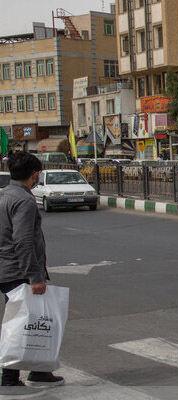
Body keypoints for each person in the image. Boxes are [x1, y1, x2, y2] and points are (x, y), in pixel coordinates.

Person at [0, 152, 64, 388]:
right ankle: (9, 378)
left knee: (37, 319)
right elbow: (23, 241)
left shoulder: (5, 194)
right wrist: (35, 277)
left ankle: (40, 370)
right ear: (35, 174)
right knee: (21, 324)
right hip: (18, 271)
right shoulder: (24, 200)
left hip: (6, 268)